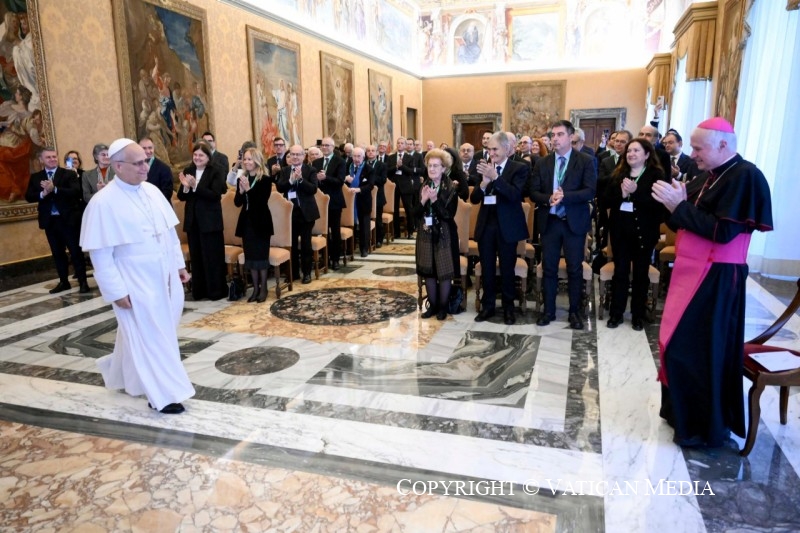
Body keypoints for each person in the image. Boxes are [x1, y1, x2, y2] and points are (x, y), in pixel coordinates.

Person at [652, 117, 773, 448]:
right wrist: (672, 203)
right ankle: (680, 415)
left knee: (697, 352)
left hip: (717, 277)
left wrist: (678, 206)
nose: (693, 153)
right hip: (693, 272)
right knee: (676, 345)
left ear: (723, 145)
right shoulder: (710, 176)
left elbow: (723, 232)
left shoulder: (745, 176)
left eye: (698, 147)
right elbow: (683, 216)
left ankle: (701, 428)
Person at [79, 138, 194, 415]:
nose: (146, 167)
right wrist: (115, 291)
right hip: (134, 280)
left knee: (150, 332)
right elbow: (101, 254)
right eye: (139, 162)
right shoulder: (102, 203)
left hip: (163, 275)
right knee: (153, 337)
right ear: (118, 167)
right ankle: (163, 395)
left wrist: (178, 265)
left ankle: (124, 377)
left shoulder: (153, 191)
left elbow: (168, 233)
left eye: (145, 161)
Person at [530, 120, 597, 329]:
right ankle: (548, 310)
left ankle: (574, 312)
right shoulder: (543, 162)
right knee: (549, 268)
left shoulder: (585, 160)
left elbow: (590, 191)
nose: (555, 139)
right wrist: (549, 198)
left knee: (574, 269)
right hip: (550, 221)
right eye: (553, 135)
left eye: (560, 135)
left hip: (573, 223)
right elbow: (533, 192)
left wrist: (565, 196)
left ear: (570, 137)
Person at [605, 138, 667, 330]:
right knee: (620, 272)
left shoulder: (656, 175)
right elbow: (606, 200)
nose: (631, 154)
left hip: (644, 233)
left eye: (636, 151)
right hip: (621, 232)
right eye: (629, 150)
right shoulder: (619, 173)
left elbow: (659, 206)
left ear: (647, 154)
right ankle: (616, 313)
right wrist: (622, 195)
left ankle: (638, 315)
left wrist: (636, 191)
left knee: (641, 274)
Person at [470, 132, 529, 325]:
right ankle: (487, 307)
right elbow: (475, 199)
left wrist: (496, 178)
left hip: (508, 227)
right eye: (489, 149)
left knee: (507, 269)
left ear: (506, 149)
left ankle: (508, 309)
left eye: (495, 149)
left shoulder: (519, 168)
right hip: (487, 226)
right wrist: (484, 183)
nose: (491, 153)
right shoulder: (485, 168)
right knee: (487, 268)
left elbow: (514, 195)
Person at [25, 146, 90, 294]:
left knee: (75, 252)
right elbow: (29, 196)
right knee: (57, 253)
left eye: (54, 156)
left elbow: (75, 192)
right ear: (41, 160)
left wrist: (54, 189)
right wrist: (43, 193)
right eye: (48, 157)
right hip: (50, 221)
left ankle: (83, 282)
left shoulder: (67, 174)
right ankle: (64, 282)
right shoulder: (36, 177)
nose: (52, 159)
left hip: (68, 220)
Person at [177, 142, 228, 300]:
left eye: (201, 155)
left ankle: (215, 291)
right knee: (197, 257)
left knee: (212, 257)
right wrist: (186, 187)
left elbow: (215, 195)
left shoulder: (216, 171)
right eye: (195, 155)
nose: (197, 158)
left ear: (208, 157)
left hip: (210, 221)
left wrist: (195, 186)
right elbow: (181, 196)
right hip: (193, 221)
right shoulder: (188, 170)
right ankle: (199, 291)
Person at [415, 148, 459, 320]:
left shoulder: (451, 188)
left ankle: (443, 307)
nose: (432, 169)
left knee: (444, 270)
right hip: (426, 233)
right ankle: (432, 306)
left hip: (445, 234)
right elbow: (415, 213)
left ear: (444, 168)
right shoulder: (423, 186)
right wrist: (423, 200)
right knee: (429, 270)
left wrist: (434, 200)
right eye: (429, 166)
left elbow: (448, 215)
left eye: (436, 166)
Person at [234, 148, 273, 302]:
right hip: (247, 223)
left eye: (250, 159)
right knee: (250, 257)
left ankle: (263, 288)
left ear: (257, 161)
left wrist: (248, 190)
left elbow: (260, 202)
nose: (247, 162)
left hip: (261, 222)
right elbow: (237, 203)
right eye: (245, 159)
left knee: (261, 257)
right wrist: (241, 191)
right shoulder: (241, 178)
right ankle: (255, 288)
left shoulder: (265, 179)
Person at [277, 144, 319, 284]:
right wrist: (291, 180)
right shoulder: (284, 171)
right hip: (290, 214)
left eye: (298, 154)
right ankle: (293, 273)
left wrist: (300, 180)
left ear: (303, 156)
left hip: (306, 213)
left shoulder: (310, 170)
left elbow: (313, 189)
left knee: (306, 245)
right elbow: (279, 187)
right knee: (292, 245)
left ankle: (307, 273)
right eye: (292, 155)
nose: (295, 157)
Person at [312, 137, 346, 270]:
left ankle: (335, 259)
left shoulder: (340, 161)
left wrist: (326, 178)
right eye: (323, 146)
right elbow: (313, 180)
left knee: (335, 231)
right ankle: (323, 257)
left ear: (332, 147)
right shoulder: (316, 162)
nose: (324, 148)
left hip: (334, 201)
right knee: (321, 230)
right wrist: (318, 180)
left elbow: (340, 181)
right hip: (319, 202)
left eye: (327, 145)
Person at [345, 147, 374, 257]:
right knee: (348, 224)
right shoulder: (348, 166)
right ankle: (349, 248)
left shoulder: (369, 168)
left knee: (364, 226)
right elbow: (341, 180)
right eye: (354, 156)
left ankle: (364, 248)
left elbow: (370, 185)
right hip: (349, 200)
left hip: (363, 200)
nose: (356, 159)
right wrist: (345, 179)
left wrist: (359, 189)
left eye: (359, 156)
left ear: (363, 157)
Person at [366, 144, 387, 247]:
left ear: (376, 153)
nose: (370, 152)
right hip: (365, 195)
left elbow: (383, 180)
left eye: (373, 151)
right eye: (368, 151)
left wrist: (371, 176)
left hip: (378, 196)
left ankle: (379, 239)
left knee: (378, 219)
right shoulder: (363, 164)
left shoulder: (381, 165)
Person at [140, 136, 173, 201]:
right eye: (144, 148)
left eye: (150, 148)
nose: (148, 151)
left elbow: (167, 194)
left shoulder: (164, 169)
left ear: (154, 148)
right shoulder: (134, 167)